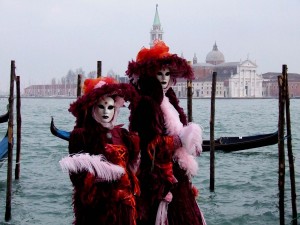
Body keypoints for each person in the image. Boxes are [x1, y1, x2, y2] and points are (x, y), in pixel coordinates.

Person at [126, 41, 206, 225]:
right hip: (158, 178)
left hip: (176, 174)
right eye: (159, 73)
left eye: (167, 73)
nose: (163, 78)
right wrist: (180, 139)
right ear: (150, 75)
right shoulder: (147, 104)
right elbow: (148, 146)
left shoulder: (169, 100)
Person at [59, 77, 140, 225]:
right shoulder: (81, 136)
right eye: (101, 107)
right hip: (97, 207)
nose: (106, 112)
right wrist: (100, 175)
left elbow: (132, 168)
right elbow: (77, 177)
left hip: (124, 206)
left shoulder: (122, 134)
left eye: (110, 107)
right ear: (93, 108)